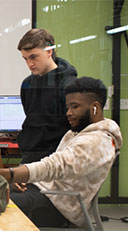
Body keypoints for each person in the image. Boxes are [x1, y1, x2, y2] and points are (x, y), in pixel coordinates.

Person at [0, 77, 121, 228]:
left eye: (75, 107)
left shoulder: (95, 142)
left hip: (57, 206)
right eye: (68, 107)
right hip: (46, 193)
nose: (68, 113)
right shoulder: (81, 133)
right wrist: (21, 179)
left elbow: (54, 166)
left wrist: (4, 173)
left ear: (95, 108)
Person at [17, 28, 78, 165]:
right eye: (25, 59)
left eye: (33, 57)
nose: (29, 64)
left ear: (49, 51)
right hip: (30, 159)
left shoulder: (69, 85)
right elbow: (32, 119)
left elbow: (74, 130)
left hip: (58, 162)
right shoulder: (27, 84)